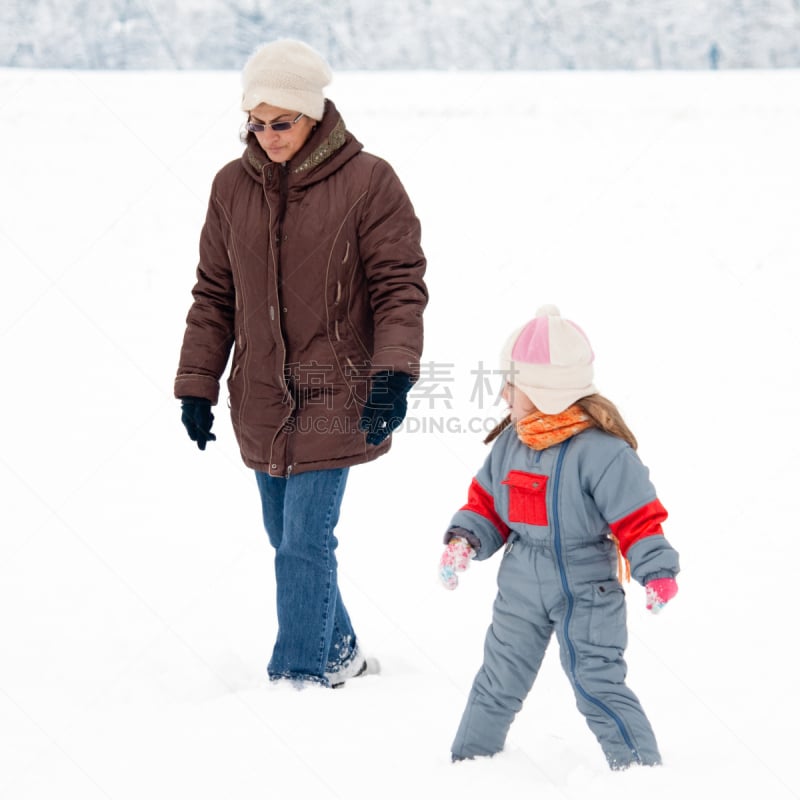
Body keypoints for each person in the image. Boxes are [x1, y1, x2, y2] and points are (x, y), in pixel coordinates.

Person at [175, 39, 428, 688]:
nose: (266, 136)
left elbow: (399, 285)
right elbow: (214, 294)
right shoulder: (232, 187)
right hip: (260, 393)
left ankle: (299, 678)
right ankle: (341, 651)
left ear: (312, 114)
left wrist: (393, 373)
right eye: (254, 124)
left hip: (339, 389)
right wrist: (197, 384)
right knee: (285, 537)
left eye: (279, 122)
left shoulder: (369, 181)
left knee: (303, 544)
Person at [438, 305, 679, 769]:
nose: (503, 393)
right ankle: (469, 765)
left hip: (587, 588)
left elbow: (639, 518)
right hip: (521, 585)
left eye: (512, 383)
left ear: (544, 392)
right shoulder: (511, 442)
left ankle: (640, 772)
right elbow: (487, 504)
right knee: (498, 679)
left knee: (596, 682)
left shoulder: (603, 454)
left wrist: (655, 569)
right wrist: (464, 539)